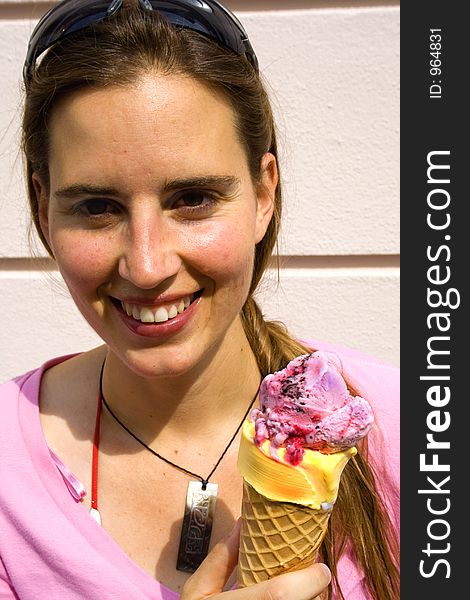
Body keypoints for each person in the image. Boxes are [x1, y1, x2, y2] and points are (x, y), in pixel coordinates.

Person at [0, 0, 399, 598]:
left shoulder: (408, 425)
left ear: (265, 193)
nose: (148, 264)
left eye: (193, 198)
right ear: (42, 209)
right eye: (96, 206)